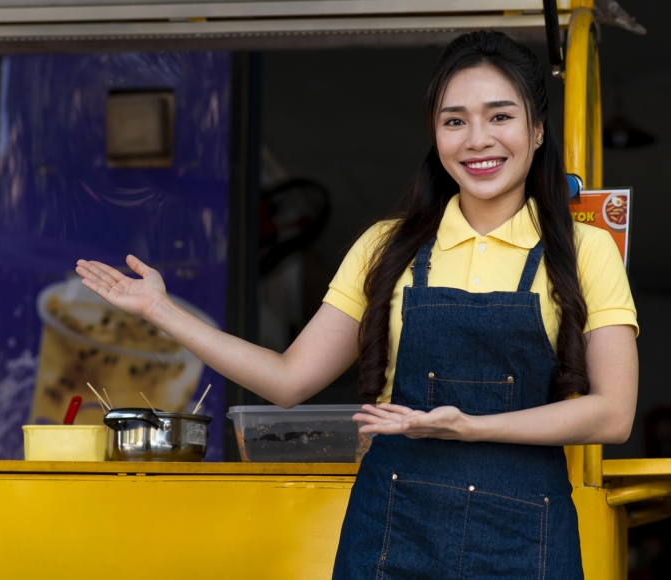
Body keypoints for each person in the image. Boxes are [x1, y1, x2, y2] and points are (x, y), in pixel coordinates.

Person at [76, 30, 638, 579]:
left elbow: (613, 413)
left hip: (525, 537)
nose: (477, 139)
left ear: (537, 131)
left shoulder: (582, 250)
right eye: (454, 121)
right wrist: (160, 310)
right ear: (435, 135)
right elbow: (287, 380)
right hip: (392, 531)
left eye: (500, 116)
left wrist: (470, 426)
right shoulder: (385, 247)